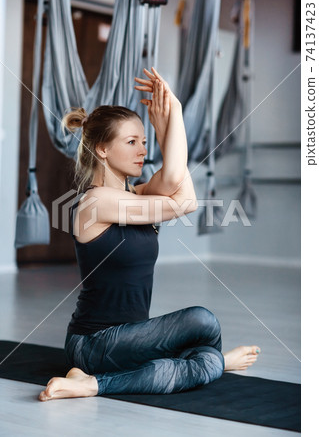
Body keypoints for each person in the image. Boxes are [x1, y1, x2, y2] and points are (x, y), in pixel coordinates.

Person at [38, 68, 260, 401]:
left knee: (208, 339)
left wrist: (166, 124)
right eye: (131, 142)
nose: (143, 150)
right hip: (93, 343)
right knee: (201, 322)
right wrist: (176, 116)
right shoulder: (95, 202)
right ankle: (91, 382)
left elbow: (174, 179)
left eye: (144, 142)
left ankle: (211, 363)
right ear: (102, 149)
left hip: (131, 340)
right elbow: (186, 201)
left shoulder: (137, 195)